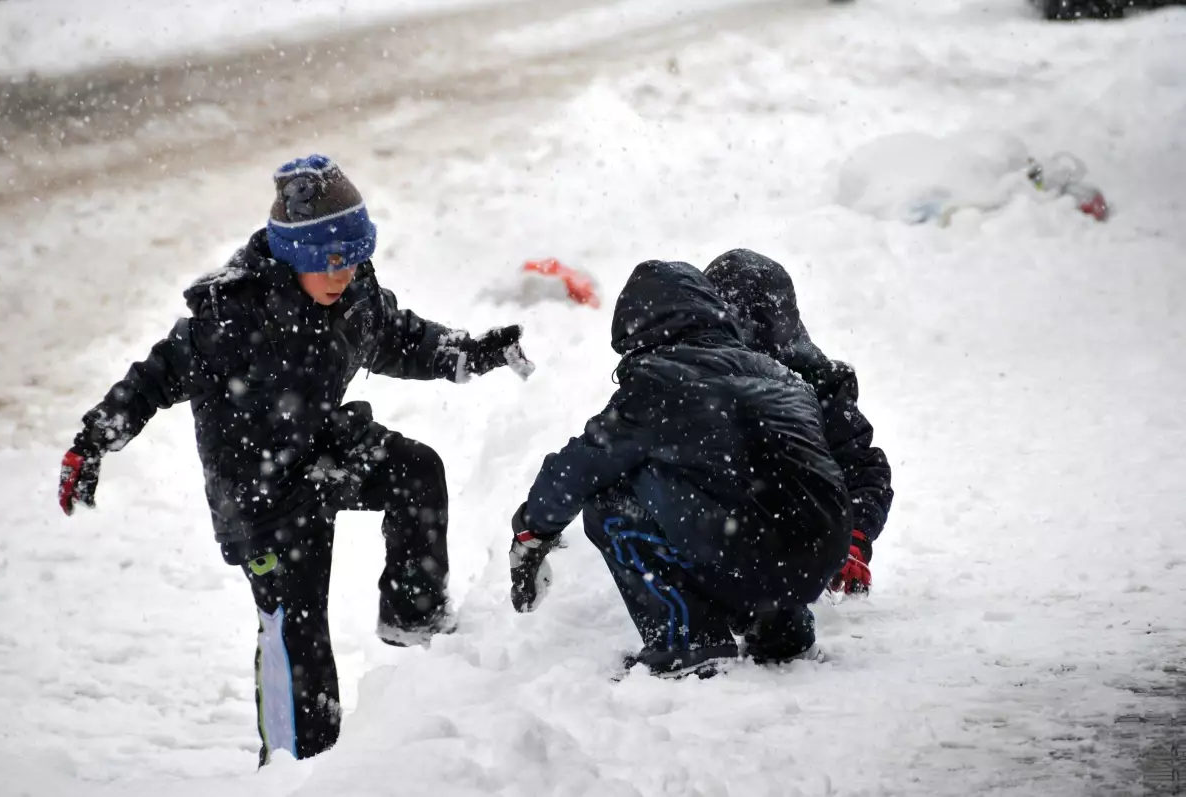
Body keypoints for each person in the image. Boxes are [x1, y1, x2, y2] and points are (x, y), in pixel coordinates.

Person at [56, 154, 532, 763]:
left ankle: (415, 625)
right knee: (297, 630)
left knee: (416, 472)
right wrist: (92, 441)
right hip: (260, 494)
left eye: (354, 256)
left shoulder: (354, 294)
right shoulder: (234, 316)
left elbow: (401, 337)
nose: (343, 273)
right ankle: (292, 765)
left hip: (323, 448)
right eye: (328, 262)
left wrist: (469, 351)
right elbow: (154, 377)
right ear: (293, 257)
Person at [508, 259, 850, 676]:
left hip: (747, 552)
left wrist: (531, 529)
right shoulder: (784, 376)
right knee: (761, 489)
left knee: (611, 495)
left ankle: (688, 639)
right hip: (819, 556)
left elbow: (580, 467)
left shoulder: (660, 380)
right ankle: (781, 627)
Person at [703, 249, 892, 596]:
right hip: (704, 545)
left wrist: (854, 540)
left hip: (791, 552)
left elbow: (863, 468)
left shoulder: (819, 384)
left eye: (757, 322)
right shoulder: (692, 376)